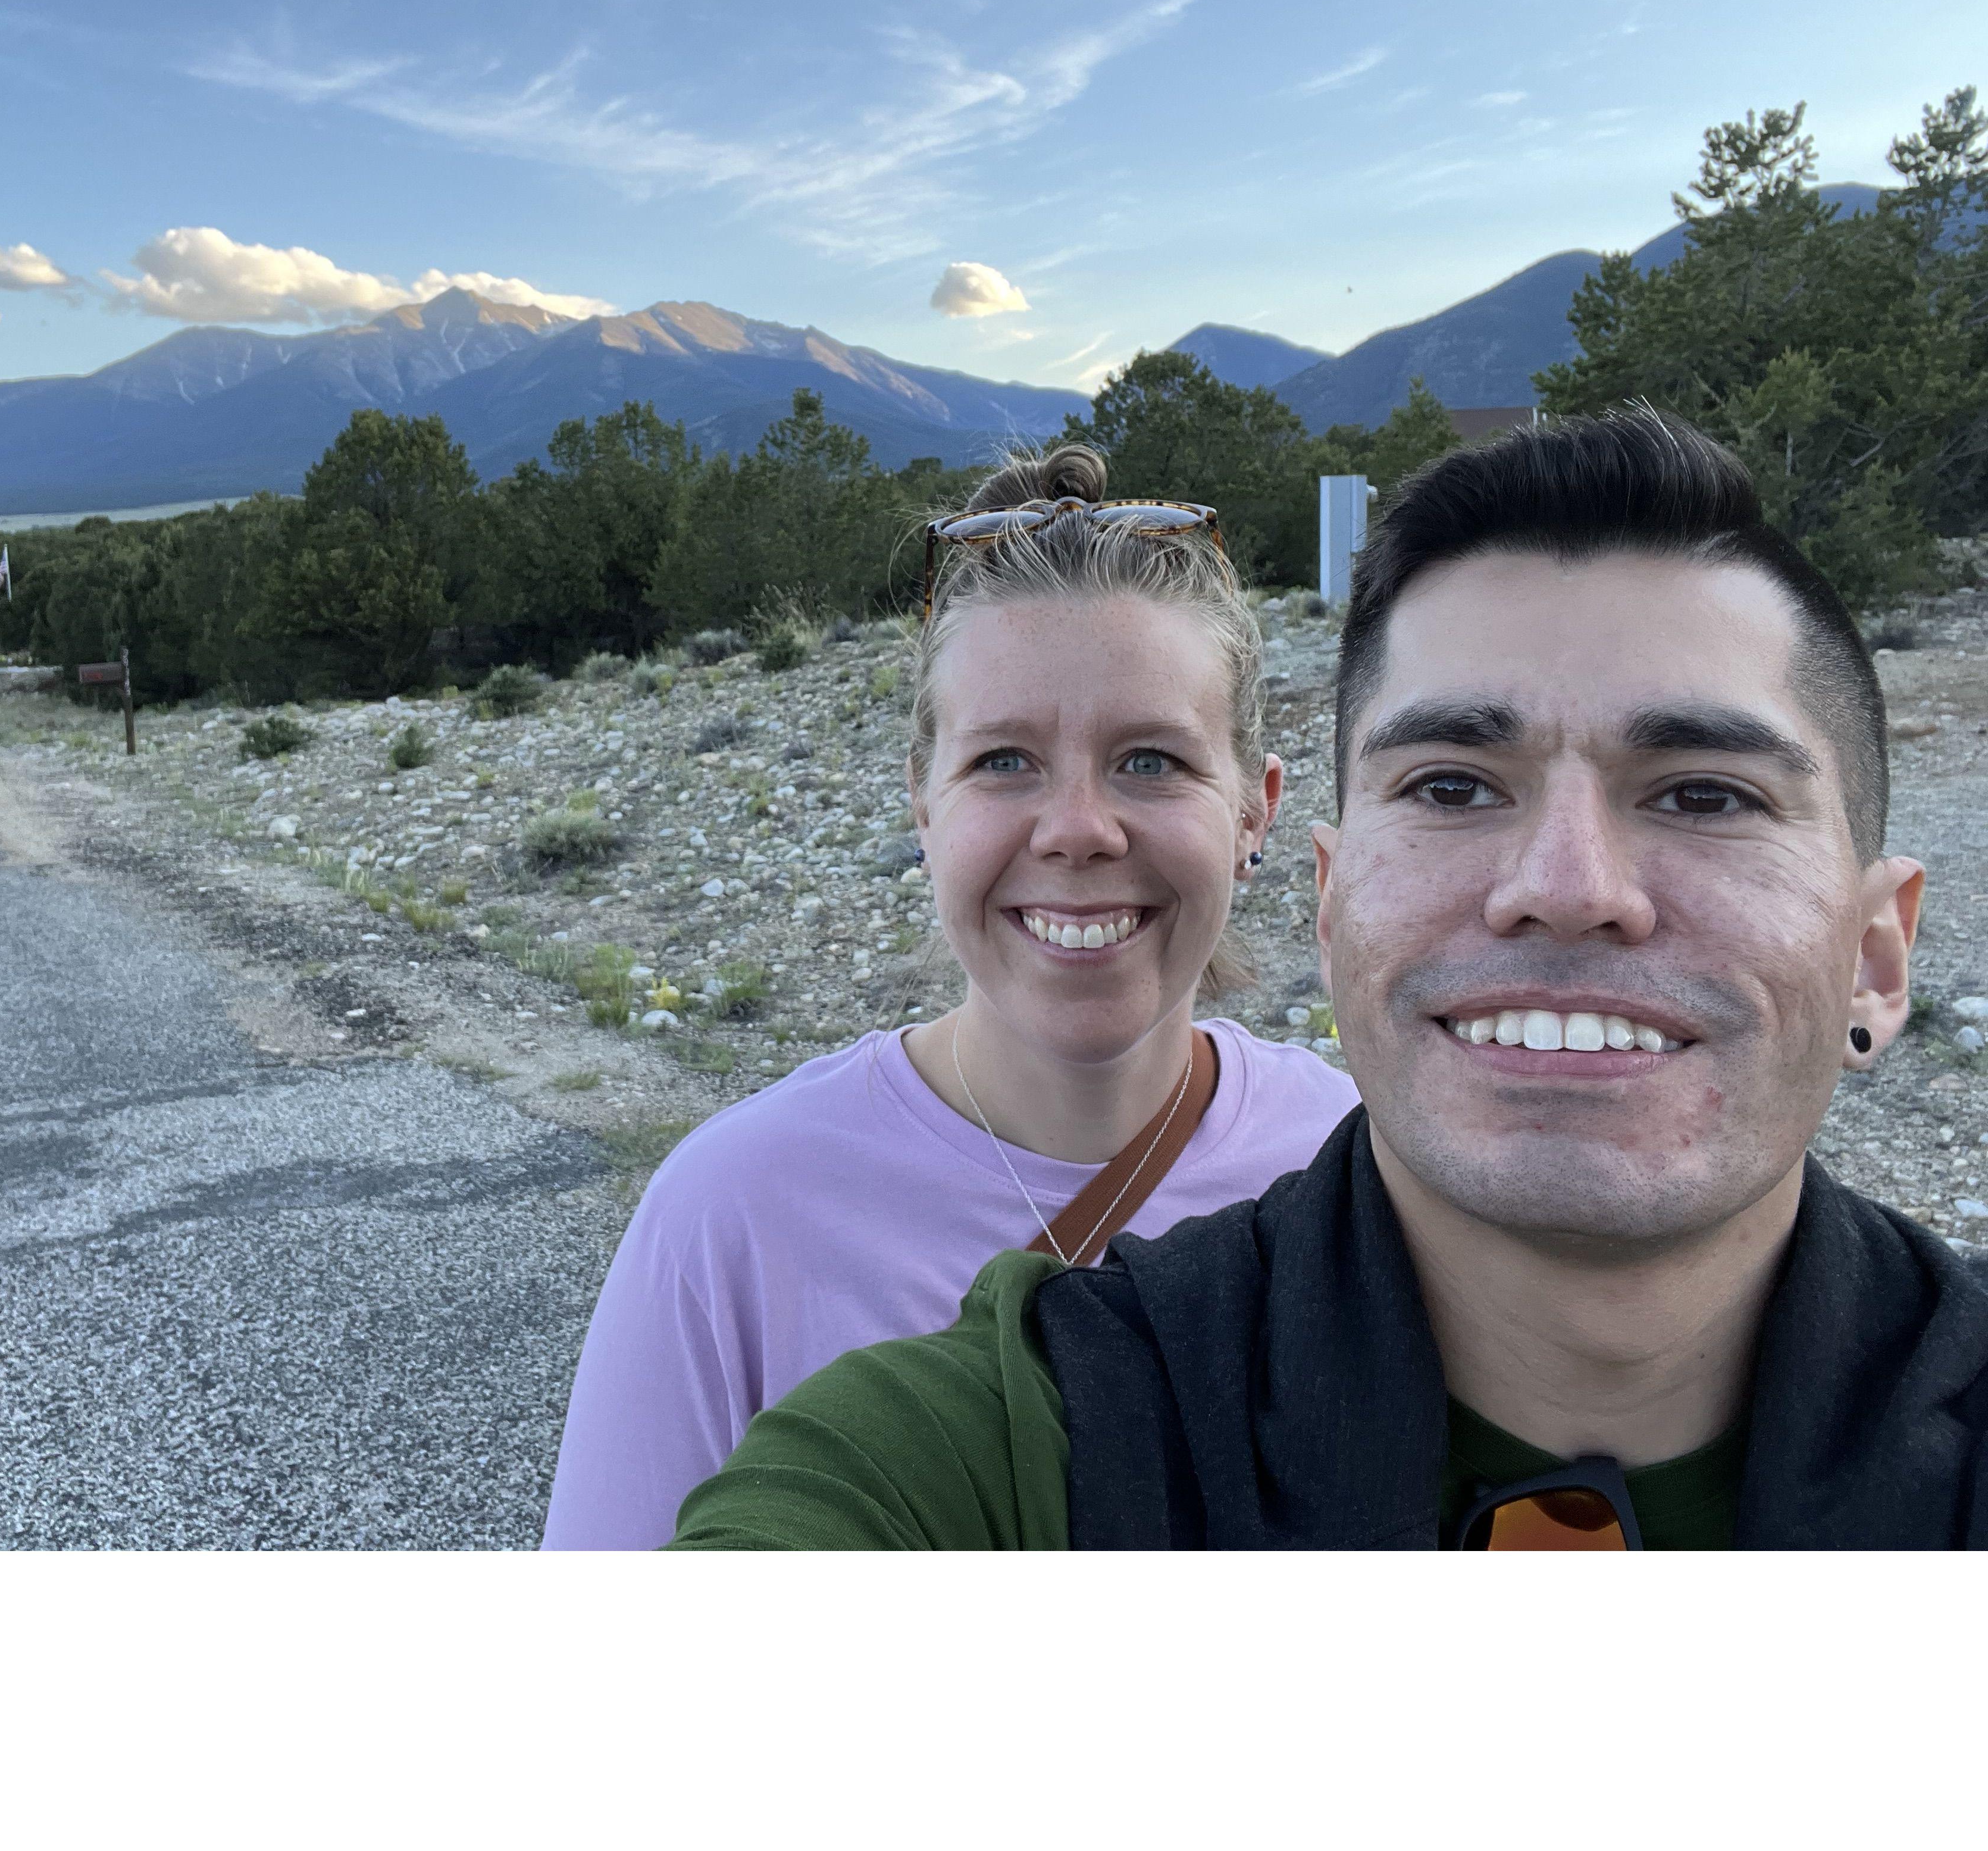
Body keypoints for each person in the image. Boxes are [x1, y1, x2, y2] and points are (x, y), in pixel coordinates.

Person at [669, 407, 1988, 1549]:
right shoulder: (1008, 1444)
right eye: (1455, 786)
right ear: (1328, 895)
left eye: (1704, 793)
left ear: (1880, 956)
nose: (1571, 884)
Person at [541, 445, 1358, 1548]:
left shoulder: (1352, 1170)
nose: (1077, 829)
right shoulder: (734, 1216)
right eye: (1005, 762)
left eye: (1153, 761)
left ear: (1256, 813)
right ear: (923, 806)